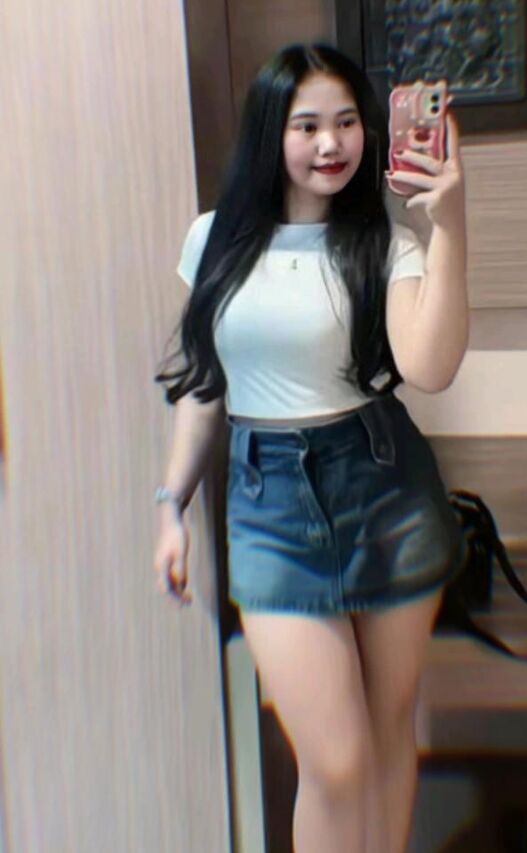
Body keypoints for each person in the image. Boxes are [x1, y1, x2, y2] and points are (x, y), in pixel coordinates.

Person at [153, 43, 468, 853]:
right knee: (335, 760)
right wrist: (172, 503)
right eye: (307, 125)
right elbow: (204, 385)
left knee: (389, 731)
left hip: (383, 487)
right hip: (270, 507)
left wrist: (448, 220)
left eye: (347, 122)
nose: (331, 143)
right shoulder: (214, 238)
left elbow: (430, 367)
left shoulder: (381, 238)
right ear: (273, 132)